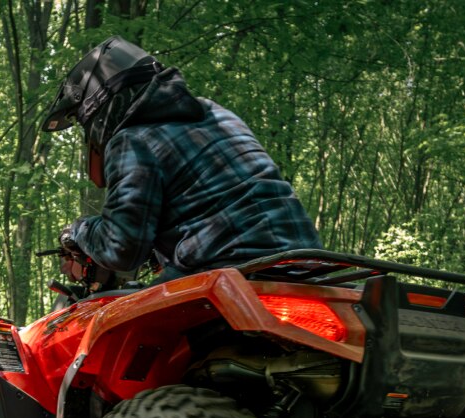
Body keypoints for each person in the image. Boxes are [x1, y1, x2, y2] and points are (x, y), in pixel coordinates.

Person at [42, 36, 320, 282]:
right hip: (306, 265)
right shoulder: (217, 114)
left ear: (101, 104)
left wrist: (78, 231)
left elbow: (120, 248)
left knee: (112, 330)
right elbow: (214, 201)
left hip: (230, 273)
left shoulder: (132, 140)